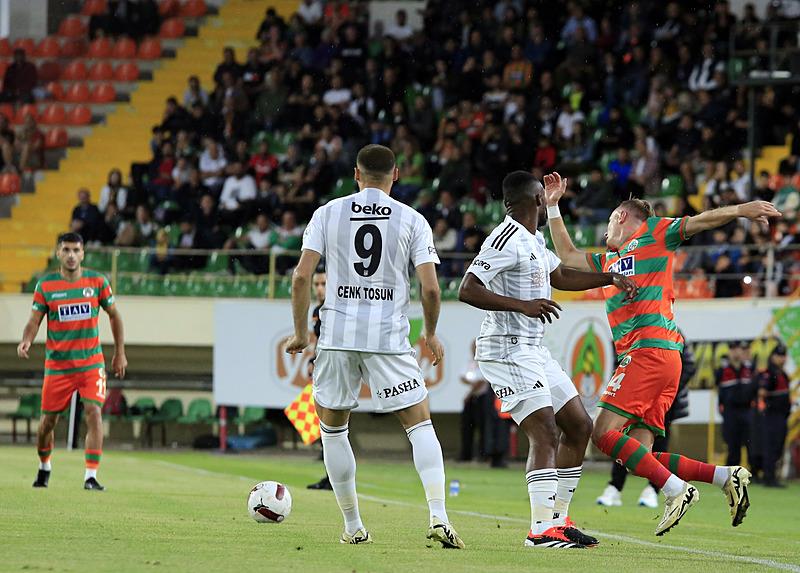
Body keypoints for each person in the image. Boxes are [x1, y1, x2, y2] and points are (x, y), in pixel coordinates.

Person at [545, 171, 780, 535]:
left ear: (621, 217)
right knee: (641, 455)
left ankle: (676, 491)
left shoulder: (654, 232)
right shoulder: (608, 264)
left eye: (609, 222)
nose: (605, 231)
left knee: (602, 432)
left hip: (649, 350)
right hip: (659, 357)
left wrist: (740, 210)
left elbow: (699, 222)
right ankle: (724, 477)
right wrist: (553, 208)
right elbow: (568, 256)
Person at [285, 144, 464, 548]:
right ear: (396, 175)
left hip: (336, 337)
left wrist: (300, 333)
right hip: (388, 338)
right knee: (419, 425)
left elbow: (300, 277)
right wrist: (431, 332)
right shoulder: (412, 219)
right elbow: (431, 288)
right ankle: (438, 515)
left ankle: (352, 526)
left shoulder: (327, 213)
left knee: (332, 431)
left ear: (356, 174)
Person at [458, 171, 638, 549]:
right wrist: (522, 305)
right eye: (545, 195)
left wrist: (609, 277)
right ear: (537, 199)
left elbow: (561, 276)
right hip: (505, 348)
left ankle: (559, 520)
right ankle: (540, 529)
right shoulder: (504, 237)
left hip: (533, 349)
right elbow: (467, 288)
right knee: (544, 430)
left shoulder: (534, 239)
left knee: (578, 425)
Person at [17, 233, 127, 491]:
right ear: (58, 253)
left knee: (94, 412)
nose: (71, 255)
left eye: (76, 250)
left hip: (91, 364)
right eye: (66, 250)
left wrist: (119, 352)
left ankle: (91, 475)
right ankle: (44, 466)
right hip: (58, 366)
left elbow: (114, 316)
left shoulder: (98, 281)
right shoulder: (46, 286)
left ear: (83, 254)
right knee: (47, 423)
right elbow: (34, 320)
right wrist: (27, 340)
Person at [597, 330, 695, 508]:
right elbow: (620, 364)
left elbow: (688, 367)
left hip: (663, 400)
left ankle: (653, 489)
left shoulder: (675, 334)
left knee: (657, 443)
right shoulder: (628, 331)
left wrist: (665, 390)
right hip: (634, 395)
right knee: (623, 440)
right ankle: (615, 487)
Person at [307, 268, 333, 491]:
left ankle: (334, 478)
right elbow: (319, 341)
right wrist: (312, 360)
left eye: (323, 284)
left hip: (336, 370)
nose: (319, 289)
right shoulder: (317, 310)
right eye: (316, 284)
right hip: (323, 369)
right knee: (325, 423)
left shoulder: (336, 308)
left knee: (334, 424)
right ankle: (329, 475)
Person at [716, 341, 756, 467]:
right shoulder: (722, 371)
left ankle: (754, 472)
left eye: (738, 349)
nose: (736, 352)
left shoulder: (749, 369)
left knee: (751, 442)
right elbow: (719, 391)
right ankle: (732, 473)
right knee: (733, 445)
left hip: (747, 410)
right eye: (732, 349)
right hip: (730, 412)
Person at [756, 344, 791, 487]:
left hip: (782, 416)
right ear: (773, 357)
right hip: (772, 416)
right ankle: (769, 477)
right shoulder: (769, 373)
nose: (782, 359)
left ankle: (772, 475)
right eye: (779, 356)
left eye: (783, 356)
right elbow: (762, 392)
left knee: (778, 446)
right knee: (771, 446)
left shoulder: (783, 373)